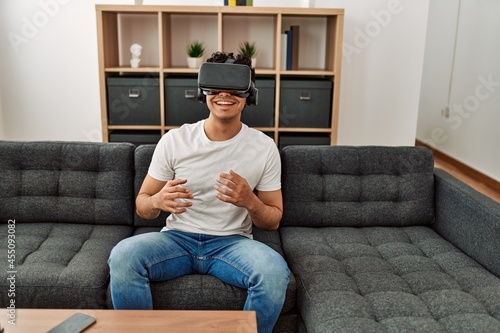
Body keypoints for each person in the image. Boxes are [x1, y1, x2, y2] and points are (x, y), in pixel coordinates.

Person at [108, 51, 290, 333]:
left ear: (249, 94)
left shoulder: (264, 148)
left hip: (232, 244)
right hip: (177, 241)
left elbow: (273, 220)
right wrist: (157, 200)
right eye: (215, 87)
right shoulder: (175, 140)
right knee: (123, 255)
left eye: (234, 88)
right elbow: (142, 205)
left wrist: (250, 201)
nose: (224, 95)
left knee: (275, 272)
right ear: (203, 91)